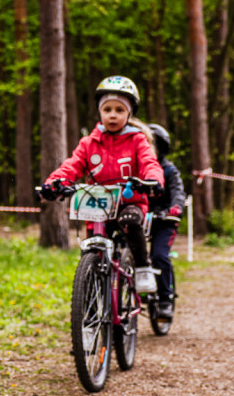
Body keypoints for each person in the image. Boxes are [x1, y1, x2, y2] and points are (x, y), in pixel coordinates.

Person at [40, 76, 164, 293]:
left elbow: (149, 163)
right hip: (98, 206)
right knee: (93, 251)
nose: (113, 115)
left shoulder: (137, 140)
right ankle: (91, 298)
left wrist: (152, 181)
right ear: (100, 112)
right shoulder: (89, 143)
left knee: (130, 221)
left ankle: (143, 267)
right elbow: (71, 166)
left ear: (129, 113)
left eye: (119, 110)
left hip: (130, 202)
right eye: (107, 109)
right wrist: (54, 184)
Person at [147, 124, 185, 318]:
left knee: (159, 256)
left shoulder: (169, 170)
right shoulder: (137, 168)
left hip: (165, 221)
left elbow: (178, 193)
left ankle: (165, 298)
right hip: (141, 219)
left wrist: (174, 209)